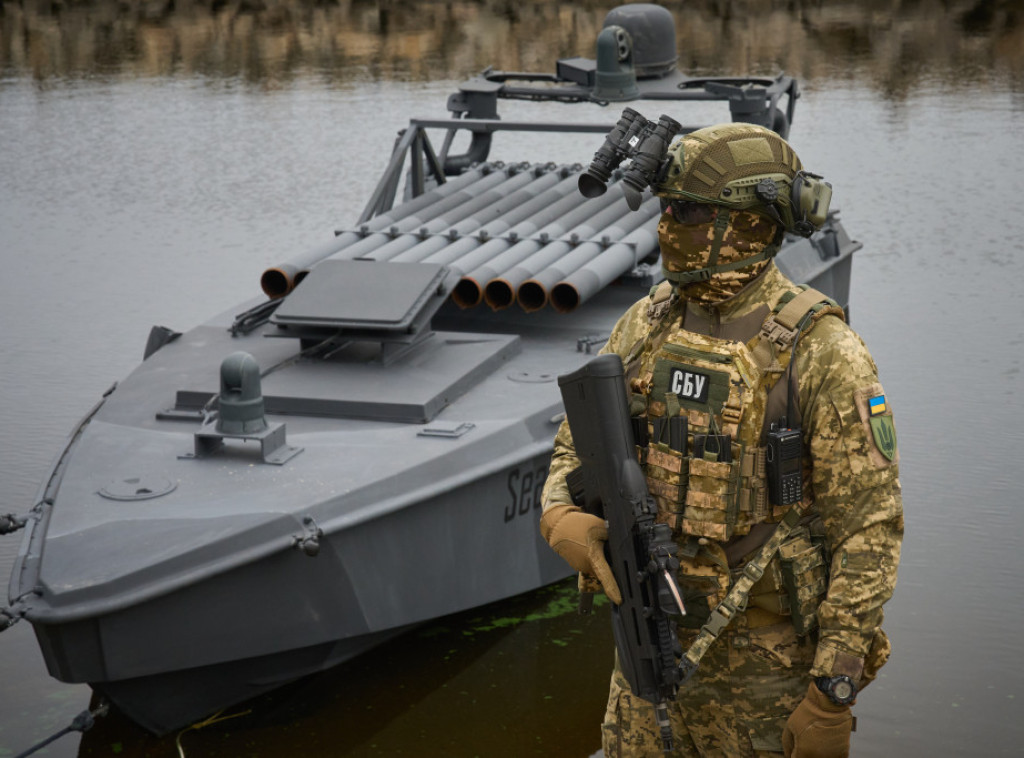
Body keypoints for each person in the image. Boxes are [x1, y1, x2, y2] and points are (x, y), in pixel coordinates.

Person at [539, 122, 903, 757]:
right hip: (644, 650)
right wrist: (559, 514)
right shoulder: (647, 322)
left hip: (766, 674)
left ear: (746, 225)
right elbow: (576, 443)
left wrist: (832, 693)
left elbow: (869, 530)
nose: (665, 227)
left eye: (685, 211)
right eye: (667, 208)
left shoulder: (823, 352)